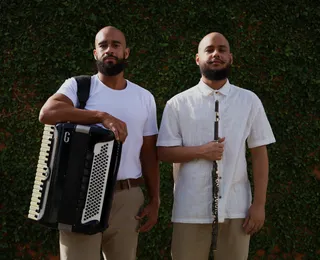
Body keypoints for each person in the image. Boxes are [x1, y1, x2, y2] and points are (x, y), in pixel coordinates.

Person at [39, 26, 160, 260]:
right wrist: (101, 116)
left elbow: (148, 153)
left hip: (127, 195)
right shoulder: (79, 87)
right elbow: (48, 113)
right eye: (103, 45)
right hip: (79, 194)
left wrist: (155, 199)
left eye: (116, 45)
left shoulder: (144, 97)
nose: (109, 50)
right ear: (95, 53)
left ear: (126, 53)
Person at [157, 32, 276, 260]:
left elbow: (260, 154)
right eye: (209, 50)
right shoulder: (178, 103)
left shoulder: (249, 100)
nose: (216, 54)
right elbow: (163, 152)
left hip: (236, 207)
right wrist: (201, 151)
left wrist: (259, 204)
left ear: (230, 57)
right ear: (198, 59)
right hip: (190, 208)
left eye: (222, 50)